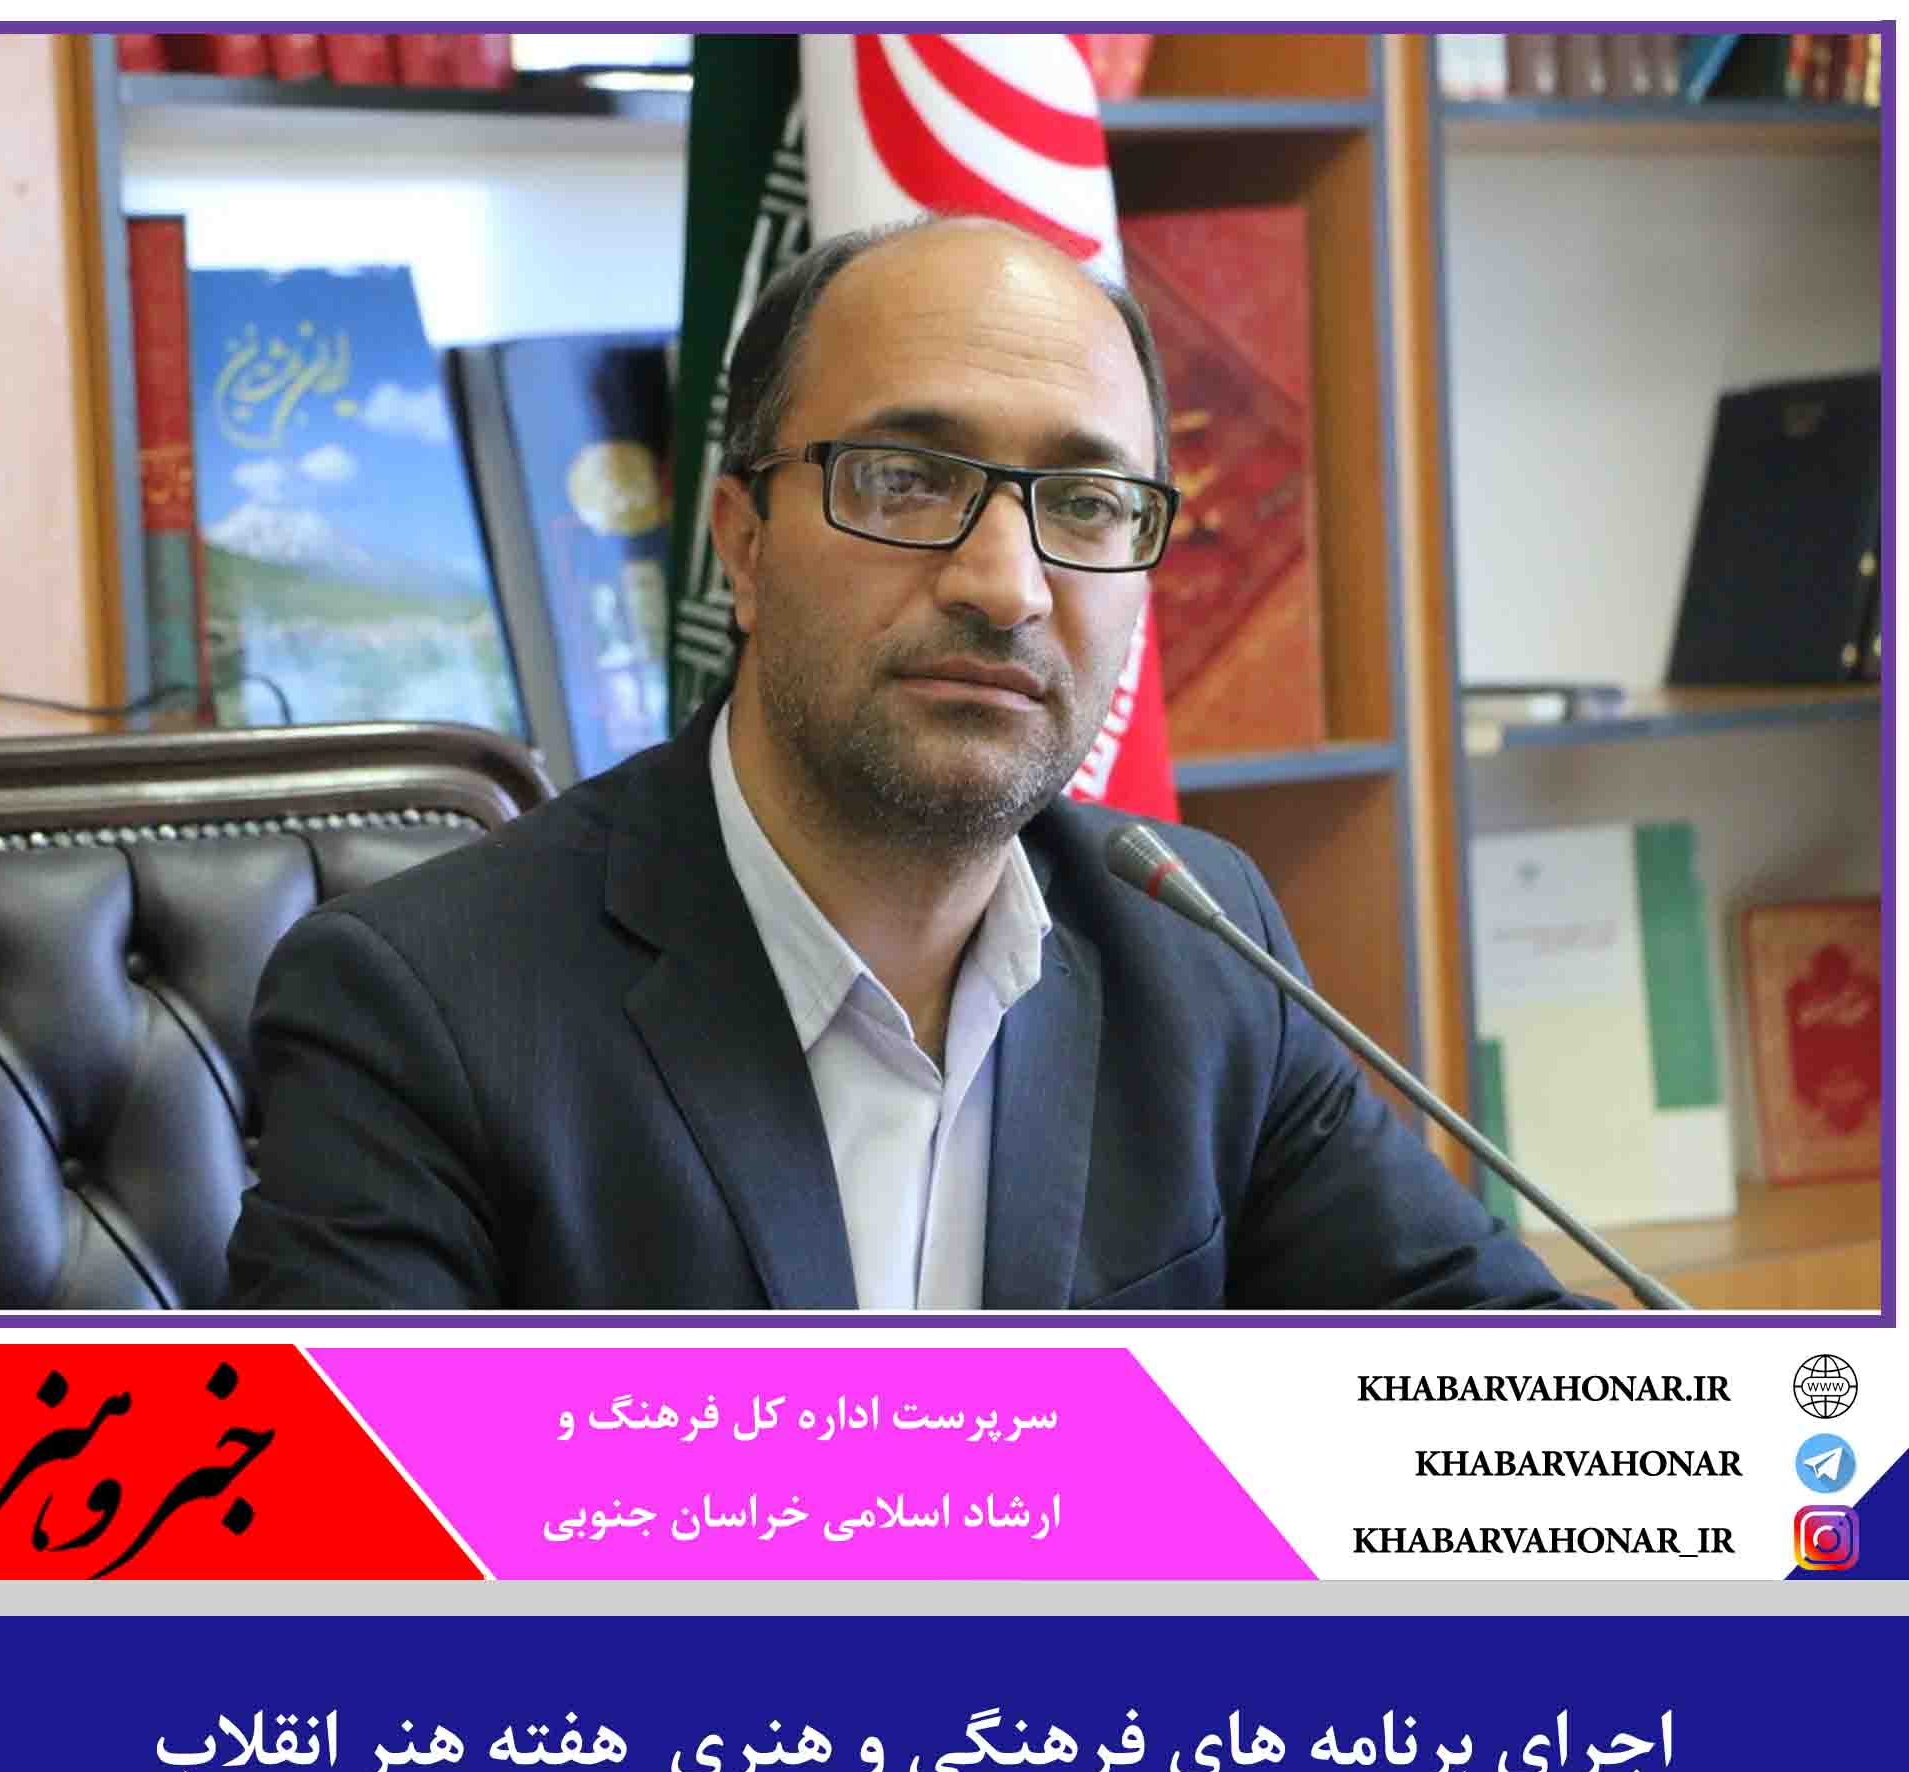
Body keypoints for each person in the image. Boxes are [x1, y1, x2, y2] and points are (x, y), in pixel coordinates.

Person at [226, 216, 1594, 1310]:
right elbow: (345, 1544)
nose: (1008, 585)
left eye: (1087, 503)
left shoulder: (1198, 945)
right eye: (906, 480)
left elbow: (1506, 1400)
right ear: (743, 545)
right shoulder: (422, 1007)